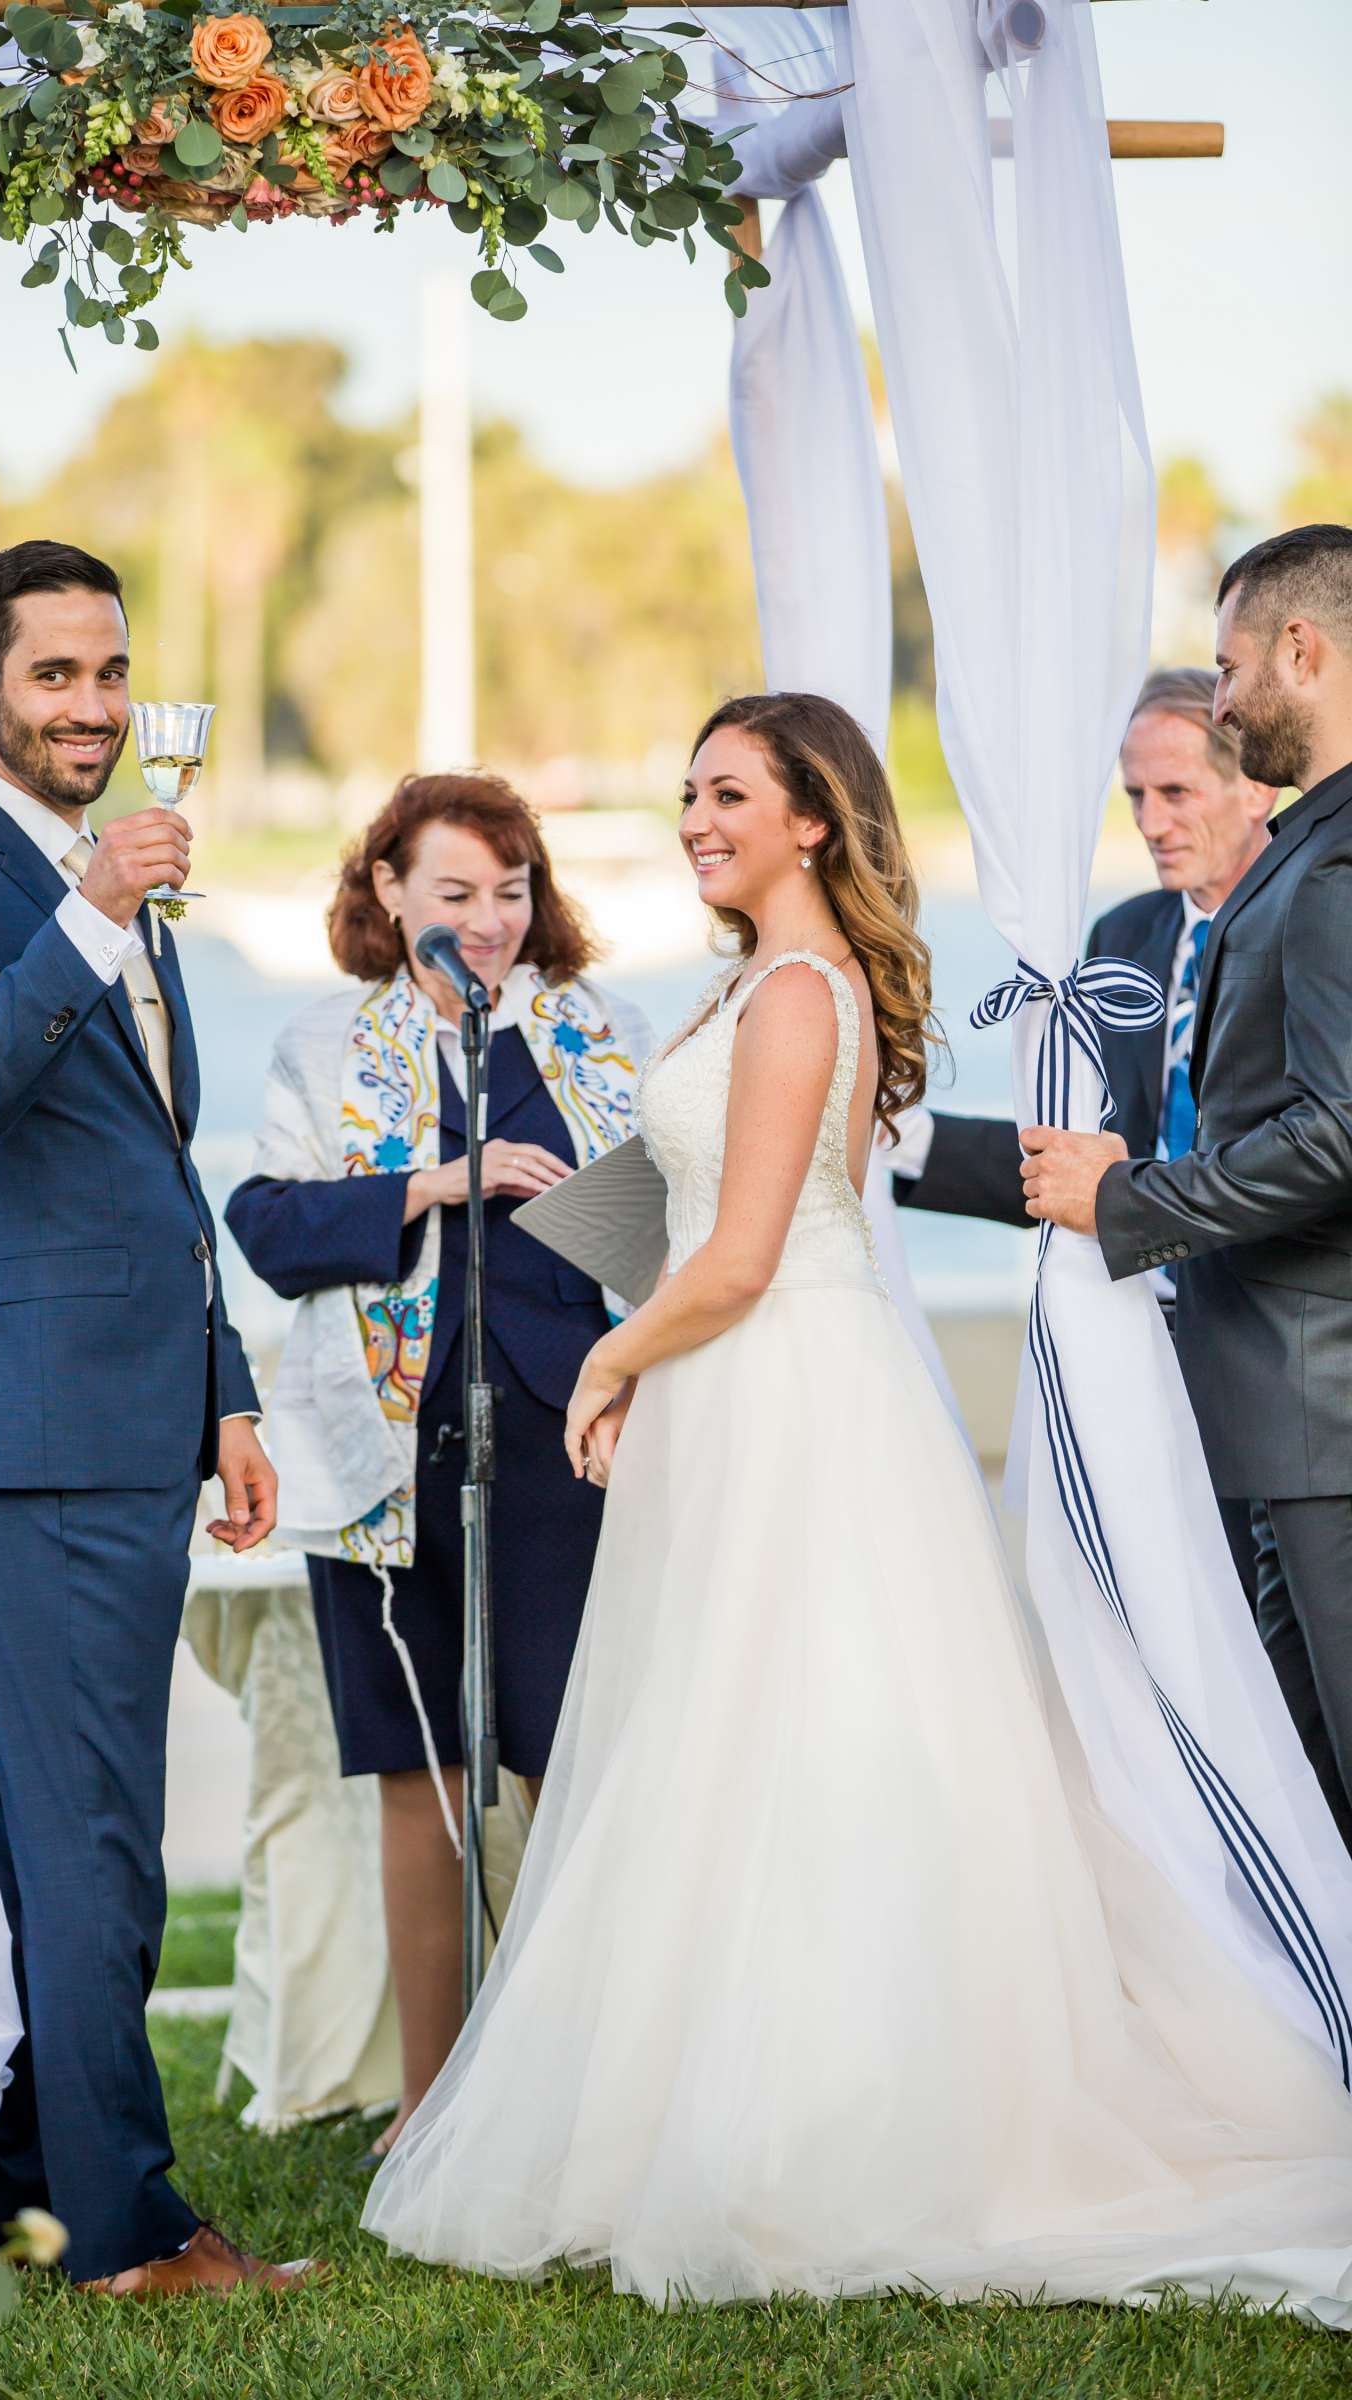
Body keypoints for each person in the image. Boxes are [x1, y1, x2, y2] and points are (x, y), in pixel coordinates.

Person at [363, 690, 1352, 2318]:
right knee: (724, 1747)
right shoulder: (746, 983)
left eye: (729, 790)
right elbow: (691, 1212)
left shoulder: (802, 993)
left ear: (812, 816)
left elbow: (743, 1253)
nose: (695, 817)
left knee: (809, 1743)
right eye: (687, 791)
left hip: (788, 1392)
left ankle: (827, 2126)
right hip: (739, 1390)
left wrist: (612, 1358)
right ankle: (700, 2102)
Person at [0, 542, 320, 2297]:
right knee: (101, 1843)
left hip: (138, 1410)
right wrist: (89, 917)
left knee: (25, 1835)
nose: (94, 710)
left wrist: (228, 1392)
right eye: (57, 677)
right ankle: (127, 2235)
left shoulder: (106, 883)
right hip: (37, 1433)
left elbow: (154, 1174)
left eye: (112, 675)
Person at [225, 773, 649, 2161]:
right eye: (456, 891)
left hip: (567, 1442)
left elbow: (662, 1241)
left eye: (512, 889)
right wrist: (428, 1185)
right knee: (421, 1775)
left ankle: (579, 2101)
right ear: (388, 892)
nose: (489, 918)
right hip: (382, 1450)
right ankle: (429, 2111)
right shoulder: (322, 1047)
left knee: (567, 1769)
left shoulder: (602, 1033)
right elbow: (269, 1226)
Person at [1023, 523, 1352, 1857]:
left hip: (1322, 1413)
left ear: (1303, 649)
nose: (1218, 705)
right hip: (1276, 1404)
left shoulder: (1329, 869)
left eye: (1225, 671)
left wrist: (1131, 1199)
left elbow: (1338, 1132)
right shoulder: (1312, 852)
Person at [892, 666, 1276, 1599]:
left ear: (1256, 784)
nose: (1148, 822)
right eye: (1135, 794)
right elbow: (1084, 1166)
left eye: (1175, 791)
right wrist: (899, 1140)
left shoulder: (1313, 925)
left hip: (1281, 1360)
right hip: (1139, 1359)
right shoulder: (1122, 939)